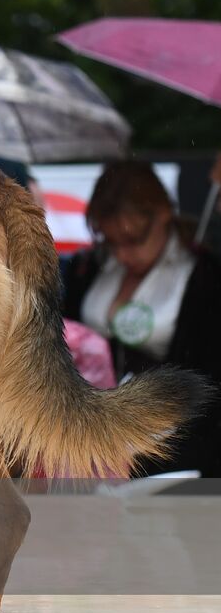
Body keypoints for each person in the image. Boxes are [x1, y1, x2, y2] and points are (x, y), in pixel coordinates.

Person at [62, 160, 221, 476]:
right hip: (89, 442)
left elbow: (210, 386)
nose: (122, 254)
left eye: (134, 240)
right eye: (112, 241)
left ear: (163, 214)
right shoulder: (88, 269)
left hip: (171, 448)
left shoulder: (205, 278)